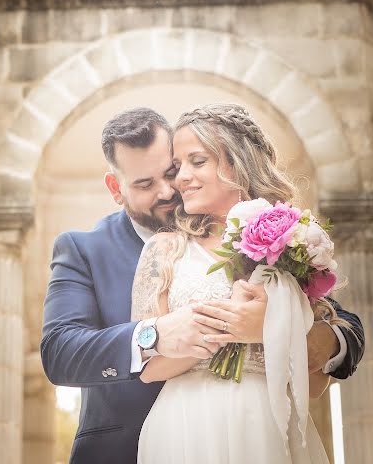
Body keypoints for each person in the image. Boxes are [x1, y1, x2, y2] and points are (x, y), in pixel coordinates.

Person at [41, 107, 364, 464]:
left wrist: (291, 334)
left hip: (263, 427)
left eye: (171, 171)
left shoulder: (274, 236)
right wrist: (155, 336)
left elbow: (338, 325)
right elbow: (60, 352)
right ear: (116, 189)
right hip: (149, 441)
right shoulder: (86, 249)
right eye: (145, 184)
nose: (169, 189)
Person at [134, 103, 348, 463]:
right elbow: (147, 369)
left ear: (237, 162)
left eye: (197, 161)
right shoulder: (165, 250)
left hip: (269, 422)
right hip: (187, 424)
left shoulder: (293, 245)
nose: (181, 177)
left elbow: (315, 384)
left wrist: (270, 328)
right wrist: (217, 329)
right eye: (177, 166)